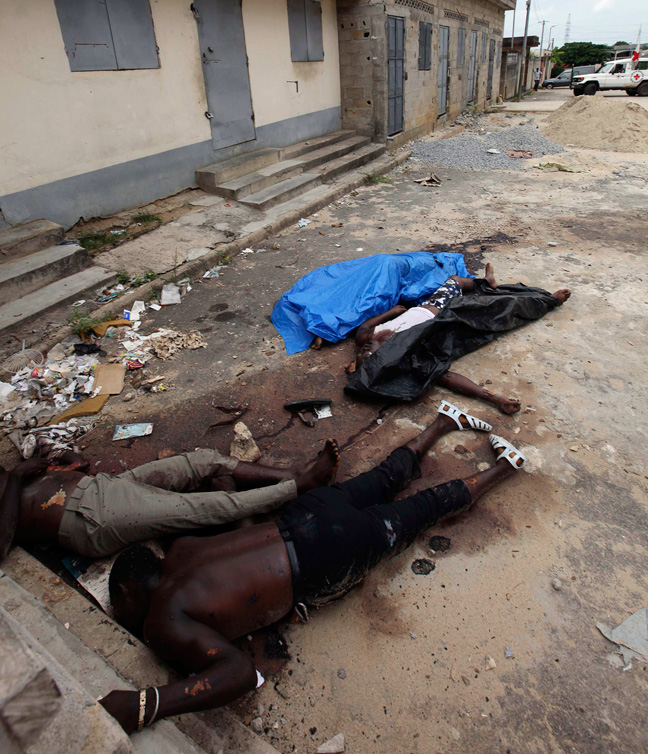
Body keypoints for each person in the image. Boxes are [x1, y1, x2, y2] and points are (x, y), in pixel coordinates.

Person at [101, 409, 529, 734]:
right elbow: (239, 536)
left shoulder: (161, 620)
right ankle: (442, 422)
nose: (119, 612)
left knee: (422, 510)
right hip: (307, 512)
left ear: (129, 592)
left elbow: (238, 674)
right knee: (383, 478)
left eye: (117, 603)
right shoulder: (182, 551)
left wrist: (146, 705)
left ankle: (505, 467)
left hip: (325, 552)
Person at [0, 445, 338, 562]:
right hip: (90, 518)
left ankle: (289, 475)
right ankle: (298, 487)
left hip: (102, 487)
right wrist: (16, 478)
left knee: (203, 461)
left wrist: (66, 462)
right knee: (203, 506)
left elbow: (75, 466)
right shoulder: (10, 479)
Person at [352, 263, 571, 414]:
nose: (366, 350)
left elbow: (364, 327)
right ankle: (549, 301)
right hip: (450, 318)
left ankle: (486, 283)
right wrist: (493, 398)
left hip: (430, 305)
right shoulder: (407, 356)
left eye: (363, 353)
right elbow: (445, 377)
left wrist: (392, 312)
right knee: (498, 308)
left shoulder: (367, 337)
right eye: (371, 355)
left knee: (455, 281)